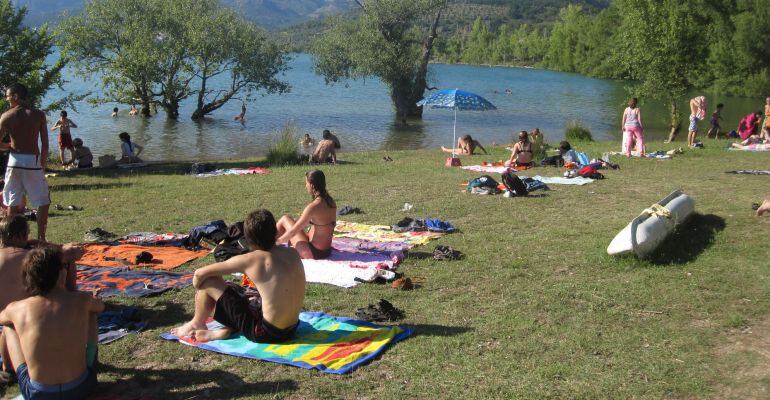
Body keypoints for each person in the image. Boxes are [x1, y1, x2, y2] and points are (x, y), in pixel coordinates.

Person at [171, 209, 305, 344]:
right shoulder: (292, 253)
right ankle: (227, 329)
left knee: (209, 281)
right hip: (292, 329)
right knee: (233, 288)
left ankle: (196, 323)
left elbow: (200, 274)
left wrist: (199, 288)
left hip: (265, 333)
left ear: (249, 239)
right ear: (275, 232)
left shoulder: (253, 259)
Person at [0, 247, 103, 400]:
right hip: (81, 387)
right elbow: (100, 307)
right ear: (60, 273)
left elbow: (2, 317)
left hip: (39, 393)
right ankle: (89, 361)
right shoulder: (82, 299)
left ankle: (8, 369)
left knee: (9, 326)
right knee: (91, 312)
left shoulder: (18, 308)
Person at [0, 215, 82, 377]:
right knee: (60, 266)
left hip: (5, 315)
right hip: (29, 312)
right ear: (21, 235)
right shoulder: (28, 258)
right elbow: (67, 254)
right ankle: (71, 298)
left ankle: (7, 369)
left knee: (8, 328)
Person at [0, 83, 51, 242]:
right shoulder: (38, 115)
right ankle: (41, 238)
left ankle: (10, 240)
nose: (7, 99)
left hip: (14, 161)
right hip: (32, 161)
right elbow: (45, 144)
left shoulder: (7, 116)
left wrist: (8, 146)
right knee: (43, 200)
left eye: (8, 96)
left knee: (12, 201)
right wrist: (42, 165)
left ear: (15, 96)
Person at [275, 170, 336, 260]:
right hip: (326, 251)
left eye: (306, 183)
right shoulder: (331, 201)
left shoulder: (313, 206)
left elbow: (292, 232)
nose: (305, 186)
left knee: (285, 219)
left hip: (313, 253)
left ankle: (266, 245)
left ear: (312, 185)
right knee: (292, 222)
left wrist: (277, 242)